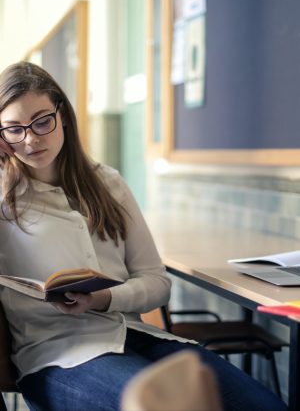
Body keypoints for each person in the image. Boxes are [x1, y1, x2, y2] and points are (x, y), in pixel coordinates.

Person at [0, 61, 287, 411]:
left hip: (137, 336)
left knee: (264, 406)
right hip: (59, 355)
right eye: (13, 129)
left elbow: (157, 282)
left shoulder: (108, 183)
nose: (31, 139)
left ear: (63, 114)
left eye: (42, 121)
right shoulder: (4, 198)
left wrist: (103, 298)